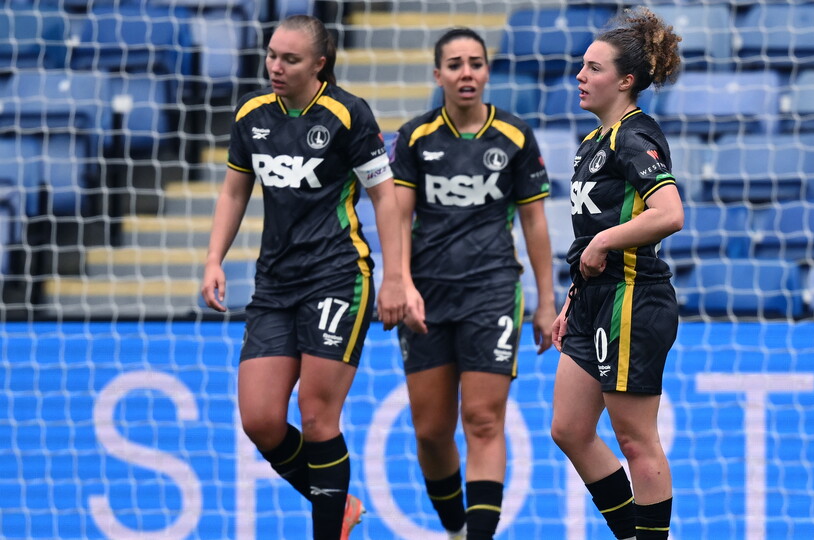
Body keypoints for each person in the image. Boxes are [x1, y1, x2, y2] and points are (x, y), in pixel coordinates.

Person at [200, 15, 407, 540]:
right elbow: (233, 191)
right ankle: (339, 506)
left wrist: (396, 277)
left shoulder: (348, 114)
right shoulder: (252, 115)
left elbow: (385, 196)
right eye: (271, 55)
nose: (275, 66)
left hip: (338, 275)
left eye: (289, 59)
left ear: (319, 64)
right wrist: (212, 259)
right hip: (273, 284)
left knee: (317, 418)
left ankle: (328, 528)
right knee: (261, 420)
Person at [389, 27, 557, 540]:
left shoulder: (514, 136)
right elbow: (395, 218)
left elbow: (534, 223)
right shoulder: (415, 138)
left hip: (491, 292)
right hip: (427, 296)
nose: (467, 73)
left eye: (476, 63)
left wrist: (546, 302)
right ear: (437, 74)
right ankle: (455, 530)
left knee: (483, 420)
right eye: (456, 64)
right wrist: (397, 281)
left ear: (487, 71)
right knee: (432, 431)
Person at [550, 8, 684, 540]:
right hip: (592, 300)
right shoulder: (591, 144)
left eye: (593, 68)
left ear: (626, 81)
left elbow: (669, 213)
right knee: (569, 429)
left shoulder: (635, 135)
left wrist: (605, 240)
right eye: (581, 67)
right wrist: (570, 300)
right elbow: (589, 240)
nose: (580, 76)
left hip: (633, 296)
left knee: (635, 439)